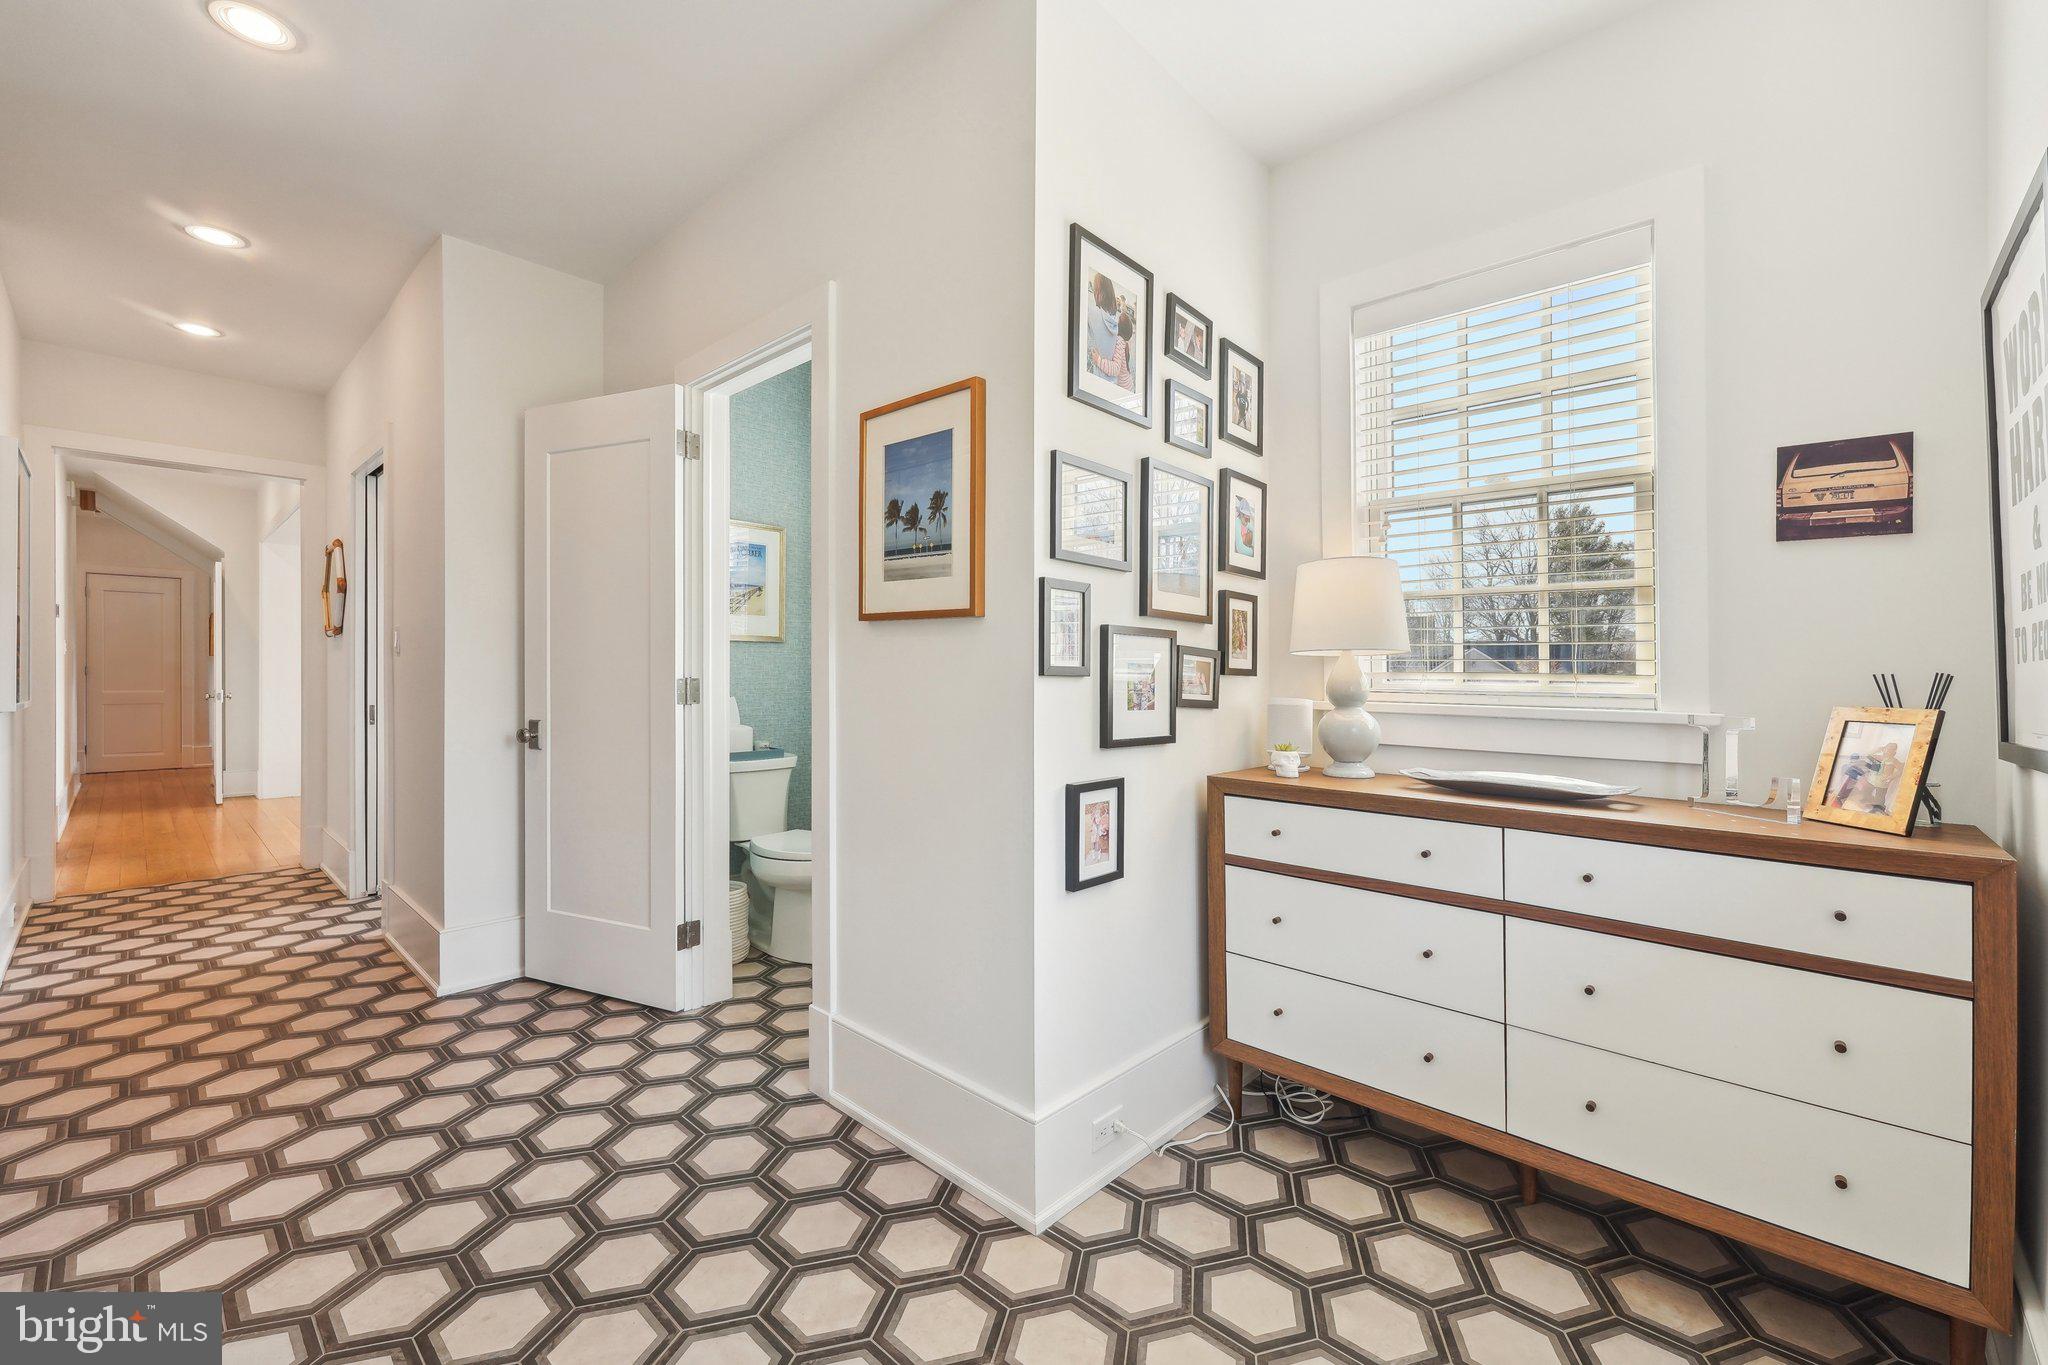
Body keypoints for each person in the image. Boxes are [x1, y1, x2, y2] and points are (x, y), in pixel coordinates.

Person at [1086, 274, 1120, 382]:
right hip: (1110, 383)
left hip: (1094, 378)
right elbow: (1117, 367)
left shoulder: (1091, 313)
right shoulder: (1117, 323)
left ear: (1098, 292)